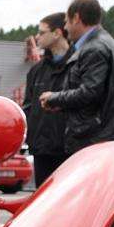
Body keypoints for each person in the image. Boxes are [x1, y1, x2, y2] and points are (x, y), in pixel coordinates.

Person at [40, 0, 114, 154]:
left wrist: (54, 98)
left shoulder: (94, 48)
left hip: (96, 137)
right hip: (104, 133)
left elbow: (90, 93)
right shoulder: (107, 43)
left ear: (76, 18)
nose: (65, 27)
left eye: (66, 21)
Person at [22, 12, 69, 186]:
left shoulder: (77, 65)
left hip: (70, 150)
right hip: (42, 150)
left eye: (42, 32)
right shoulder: (36, 71)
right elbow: (27, 107)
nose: (37, 36)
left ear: (57, 33)